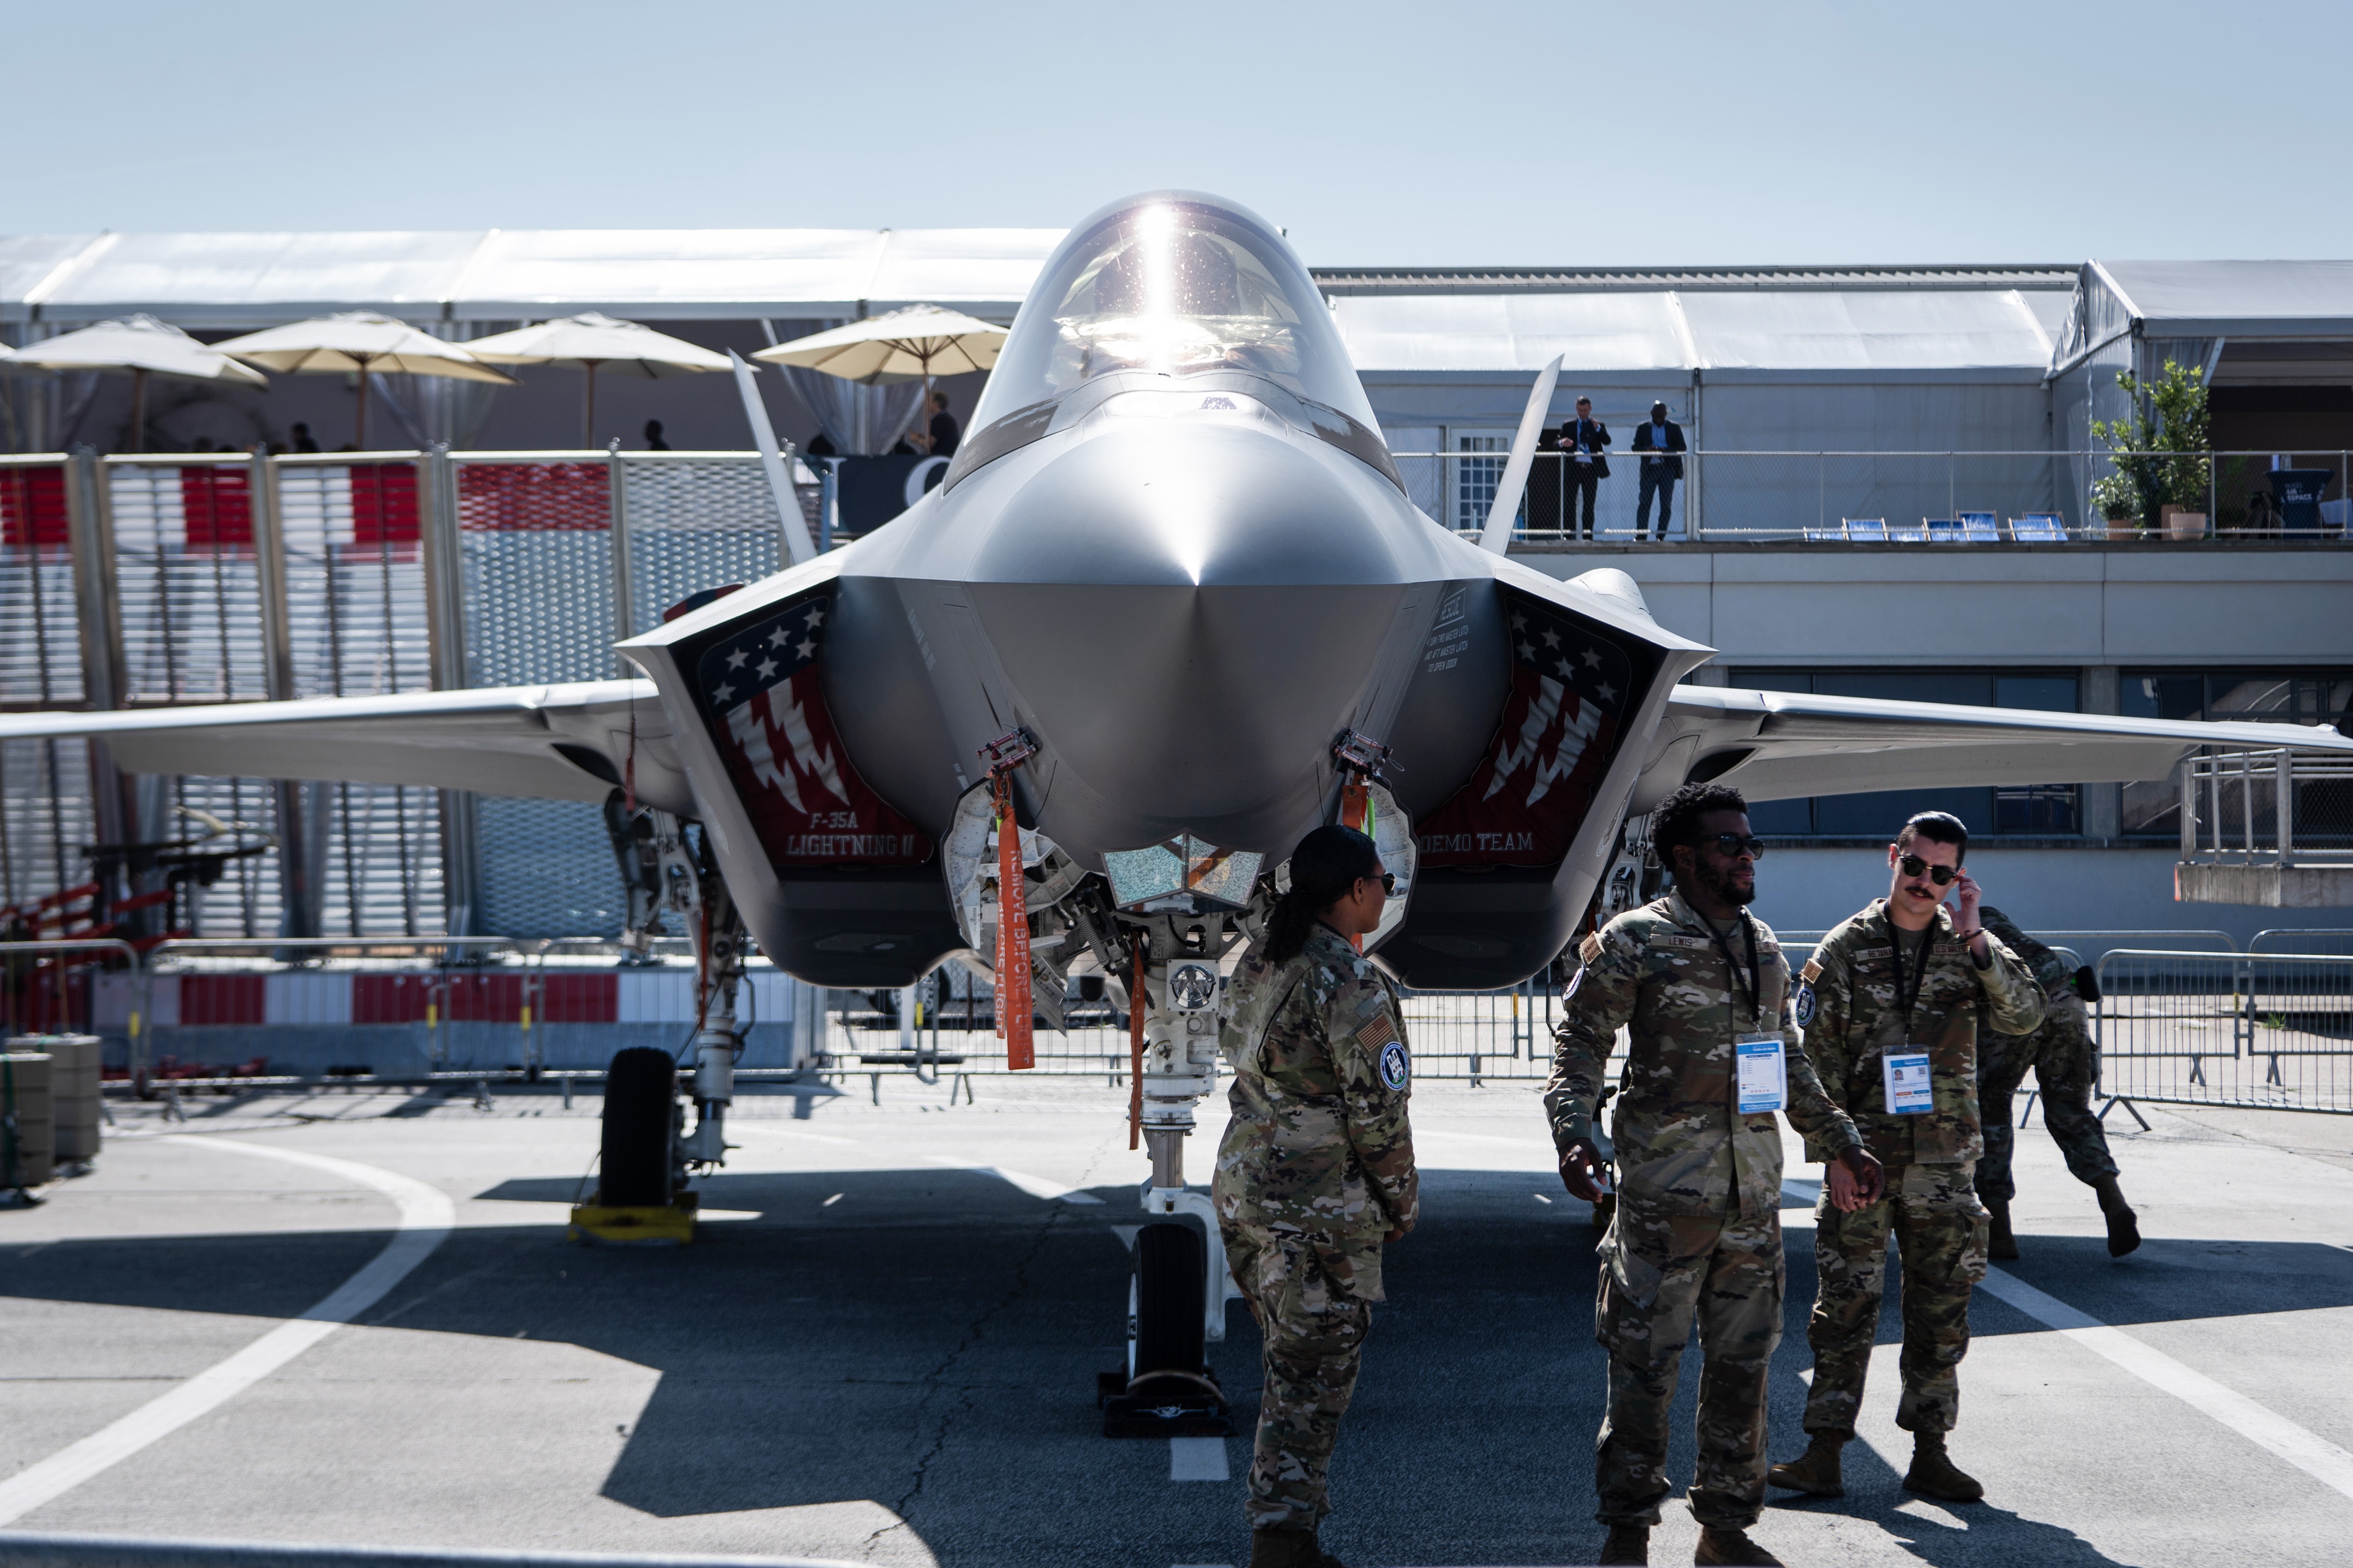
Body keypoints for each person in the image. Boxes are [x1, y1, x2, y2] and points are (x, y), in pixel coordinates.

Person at [1552, 782, 1884, 1568]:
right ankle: (1627, 1529)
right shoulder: (1635, 941)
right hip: (1665, 1201)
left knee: (1744, 1369)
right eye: (1731, 843)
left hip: (1750, 1203)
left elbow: (1788, 1058)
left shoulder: (1762, 944)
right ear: (1685, 856)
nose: (1747, 856)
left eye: (1751, 843)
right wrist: (1574, 1134)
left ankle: (1726, 1529)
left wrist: (1841, 1139)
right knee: (1644, 1371)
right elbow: (1580, 1046)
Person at [1768, 812, 2044, 1506]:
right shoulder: (1846, 948)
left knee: (1941, 1310)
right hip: (1865, 1162)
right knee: (1843, 1309)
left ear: (1958, 879)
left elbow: (2024, 1015)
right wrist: (1831, 1154)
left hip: (1946, 1166)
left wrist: (1978, 932)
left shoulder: (1969, 946)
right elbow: (1812, 1062)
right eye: (1915, 866)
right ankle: (1823, 1451)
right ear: (1892, 857)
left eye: (1941, 874)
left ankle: (1930, 1451)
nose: (1925, 882)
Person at [1215, 825, 1418, 1568]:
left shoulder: (1260, 961)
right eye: (1382, 884)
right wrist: (1400, 1200)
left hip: (1247, 1192)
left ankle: (1289, 1533)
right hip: (1317, 1210)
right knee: (1309, 1379)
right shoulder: (1348, 979)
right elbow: (1377, 1111)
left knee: (1289, 1364)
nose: (1384, 896)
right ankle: (1280, 1541)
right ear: (1355, 890)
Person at [1974, 907, 2139, 1259]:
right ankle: (2113, 1201)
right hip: (2067, 996)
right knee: (2070, 1110)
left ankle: (2000, 1231)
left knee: (1992, 1107)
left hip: (2016, 1004)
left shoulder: (1946, 927)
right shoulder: (1990, 918)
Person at [1555, 396, 1611, 540]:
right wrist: (1563, 443)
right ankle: (1569, 534)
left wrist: (1597, 428)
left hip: (1590, 469)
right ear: (1576, 409)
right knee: (1569, 502)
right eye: (1580, 411)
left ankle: (1588, 535)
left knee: (1589, 503)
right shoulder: (1569, 426)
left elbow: (1607, 441)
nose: (1583, 414)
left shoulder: (1598, 425)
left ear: (1590, 409)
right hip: (1573, 467)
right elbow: (1556, 443)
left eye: (1586, 411)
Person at [1631, 401, 1686, 541]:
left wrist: (1665, 450)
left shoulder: (1674, 427)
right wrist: (1647, 449)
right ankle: (1641, 535)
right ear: (1651, 414)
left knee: (1666, 504)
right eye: (1657, 416)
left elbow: (1682, 447)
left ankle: (1660, 536)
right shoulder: (1643, 428)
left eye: (1662, 416)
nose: (1659, 419)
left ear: (1666, 414)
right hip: (1649, 469)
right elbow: (1635, 447)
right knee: (1644, 502)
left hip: (1668, 469)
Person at [918, 390, 960, 458]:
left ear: (936, 404)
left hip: (941, 458)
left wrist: (917, 439)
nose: (927, 404)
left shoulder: (939, 420)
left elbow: (929, 444)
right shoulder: (949, 419)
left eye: (930, 402)